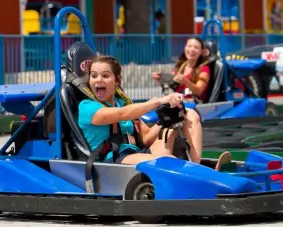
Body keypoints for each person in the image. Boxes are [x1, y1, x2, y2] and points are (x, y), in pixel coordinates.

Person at [79, 54, 231, 168]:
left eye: (105, 76)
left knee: (188, 114)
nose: (98, 80)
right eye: (94, 76)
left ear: (117, 81)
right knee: (167, 161)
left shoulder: (122, 103)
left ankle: (197, 165)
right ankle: (198, 174)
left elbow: (145, 138)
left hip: (137, 152)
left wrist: (165, 120)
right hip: (112, 159)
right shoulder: (87, 107)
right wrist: (158, 101)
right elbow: (120, 114)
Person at [154, 37, 212, 102]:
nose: (192, 49)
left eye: (196, 47)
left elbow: (199, 91)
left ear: (201, 52)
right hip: (177, 102)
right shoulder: (181, 65)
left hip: (191, 104)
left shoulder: (204, 69)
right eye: (189, 46)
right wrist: (159, 79)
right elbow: (171, 85)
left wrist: (186, 81)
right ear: (185, 48)